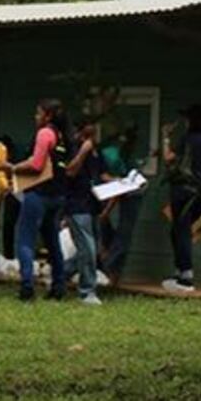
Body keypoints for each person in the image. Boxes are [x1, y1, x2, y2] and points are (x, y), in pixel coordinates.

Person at [2, 99, 69, 302]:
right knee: (53, 242)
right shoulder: (62, 136)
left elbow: (37, 164)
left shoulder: (45, 133)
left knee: (25, 240)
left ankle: (27, 287)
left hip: (39, 194)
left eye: (39, 113)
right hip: (57, 195)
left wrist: (12, 168)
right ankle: (59, 286)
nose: (35, 117)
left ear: (48, 115)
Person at [162, 104, 201, 293]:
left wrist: (165, 137)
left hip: (183, 190)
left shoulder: (188, 139)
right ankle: (180, 272)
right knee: (180, 231)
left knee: (181, 231)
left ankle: (186, 277)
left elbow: (169, 158)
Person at [63, 121, 102, 305]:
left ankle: (61, 274)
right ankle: (87, 291)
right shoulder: (75, 149)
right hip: (77, 205)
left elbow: (99, 175)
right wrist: (83, 151)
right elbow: (70, 171)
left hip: (93, 203)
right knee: (87, 248)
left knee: (89, 249)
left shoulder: (96, 153)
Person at [97, 129, 142, 285]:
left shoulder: (113, 158)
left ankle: (107, 268)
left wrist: (106, 212)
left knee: (124, 233)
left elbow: (118, 189)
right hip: (119, 185)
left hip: (132, 190)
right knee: (105, 227)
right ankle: (110, 270)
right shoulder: (106, 153)